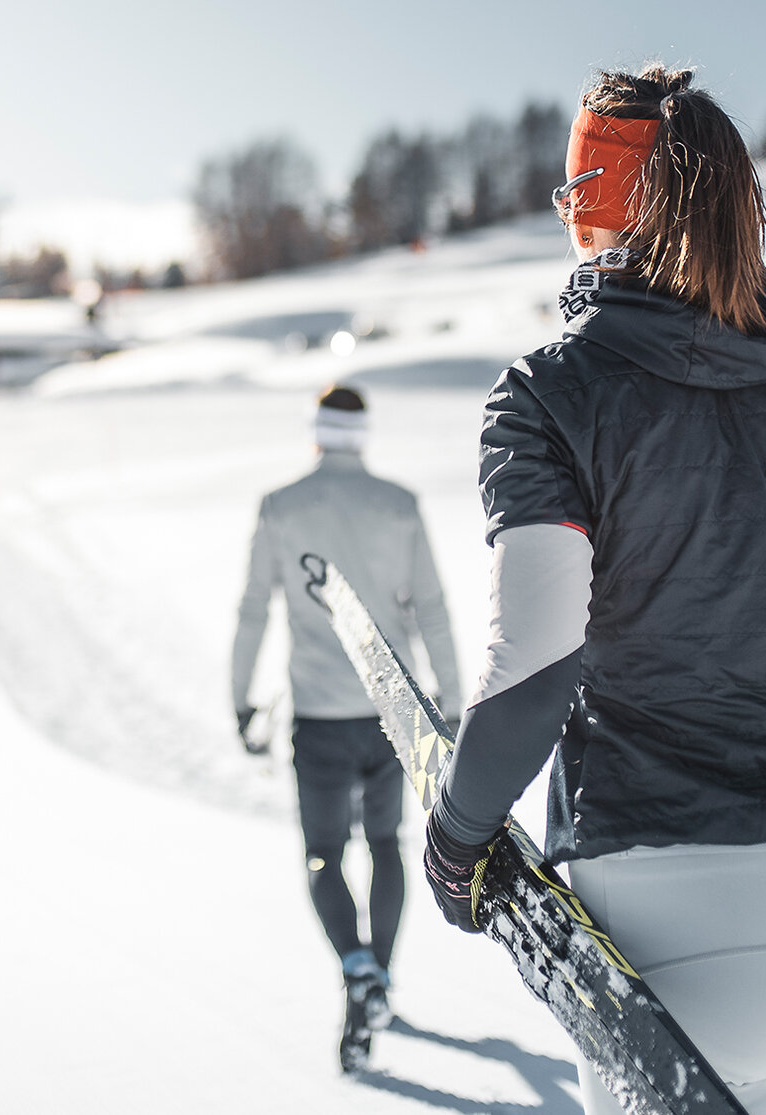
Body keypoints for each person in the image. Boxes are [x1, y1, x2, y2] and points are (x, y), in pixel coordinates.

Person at [421, 65, 766, 1115]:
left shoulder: (550, 394)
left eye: (571, 193)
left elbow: (539, 659)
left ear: (594, 205)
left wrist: (458, 840)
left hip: (671, 925)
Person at [232, 384, 462, 1064]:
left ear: (316, 430)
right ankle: (380, 976)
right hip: (395, 712)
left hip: (319, 715)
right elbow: (432, 607)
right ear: (362, 434)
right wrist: (451, 701)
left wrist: (240, 698)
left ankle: (357, 969)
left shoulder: (281, 505)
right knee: (386, 842)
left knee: (324, 853)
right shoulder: (400, 504)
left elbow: (254, 609)